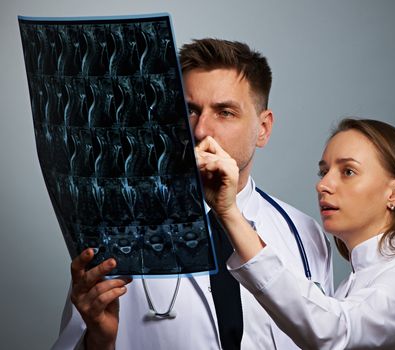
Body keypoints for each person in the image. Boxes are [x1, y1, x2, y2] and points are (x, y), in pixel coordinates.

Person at [52, 39, 333, 349]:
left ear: (263, 128)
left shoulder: (306, 236)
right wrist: (98, 341)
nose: (200, 131)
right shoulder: (115, 233)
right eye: (189, 110)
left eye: (225, 112)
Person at [197, 118, 395, 349]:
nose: (323, 184)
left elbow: (331, 332)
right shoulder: (353, 285)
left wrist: (229, 212)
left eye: (348, 171)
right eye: (324, 171)